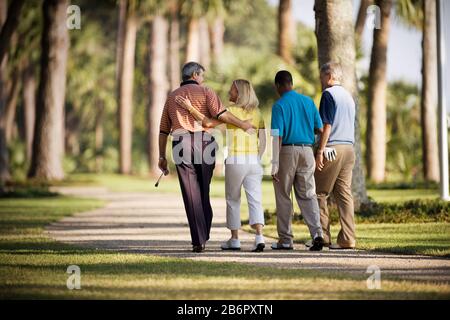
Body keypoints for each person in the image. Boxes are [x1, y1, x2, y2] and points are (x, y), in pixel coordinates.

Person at [158, 62, 255, 253]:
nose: (203, 79)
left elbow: (163, 130)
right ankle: (203, 233)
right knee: (203, 190)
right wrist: (242, 124)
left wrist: (161, 156)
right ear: (195, 75)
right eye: (202, 75)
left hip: (180, 143)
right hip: (204, 142)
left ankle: (198, 239)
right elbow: (222, 115)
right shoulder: (206, 92)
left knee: (190, 193)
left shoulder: (171, 97)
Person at [175, 79, 266, 252]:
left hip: (236, 160)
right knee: (255, 199)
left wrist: (189, 107)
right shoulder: (258, 113)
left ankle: (235, 239)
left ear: (239, 93)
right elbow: (263, 138)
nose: (229, 93)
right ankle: (259, 237)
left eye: (232, 91)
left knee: (233, 199)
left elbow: (207, 123)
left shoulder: (230, 111)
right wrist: (258, 157)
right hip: (254, 161)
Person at [270, 70, 324, 251]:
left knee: (284, 195)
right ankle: (317, 233)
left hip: (287, 151)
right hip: (307, 151)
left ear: (278, 86)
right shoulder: (308, 102)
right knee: (308, 194)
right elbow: (320, 129)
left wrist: (274, 162)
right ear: (291, 83)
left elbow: (277, 135)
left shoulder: (279, 105)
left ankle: (286, 240)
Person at [312, 62, 357, 250]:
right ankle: (348, 239)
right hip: (349, 149)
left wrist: (320, 151)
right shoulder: (349, 96)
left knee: (319, 193)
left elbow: (327, 125)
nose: (321, 80)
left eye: (322, 77)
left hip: (333, 149)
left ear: (329, 76)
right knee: (344, 194)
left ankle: (323, 237)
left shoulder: (328, 95)